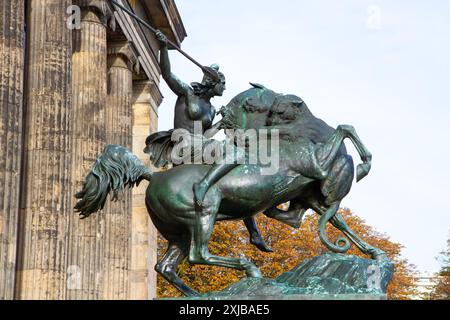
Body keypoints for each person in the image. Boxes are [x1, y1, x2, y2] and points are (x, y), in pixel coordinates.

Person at [146, 30, 272, 252]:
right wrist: (164, 48)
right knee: (238, 155)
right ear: (214, 83)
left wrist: (220, 125)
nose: (224, 89)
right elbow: (166, 74)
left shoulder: (212, 109)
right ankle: (205, 186)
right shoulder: (188, 93)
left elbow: (204, 136)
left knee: (235, 175)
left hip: (198, 145)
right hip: (183, 144)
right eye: (223, 84)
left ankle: (253, 230)